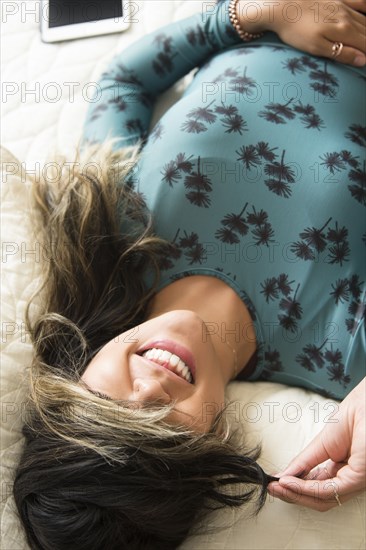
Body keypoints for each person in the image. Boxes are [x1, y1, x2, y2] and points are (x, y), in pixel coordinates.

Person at [13, 0, 365, 548]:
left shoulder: (109, 235)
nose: (151, 389)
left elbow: (124, 84)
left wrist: (252, 15)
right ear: (214, 442)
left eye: (107, 407)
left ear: (71, 382)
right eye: (160, 433)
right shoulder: (339, 351)